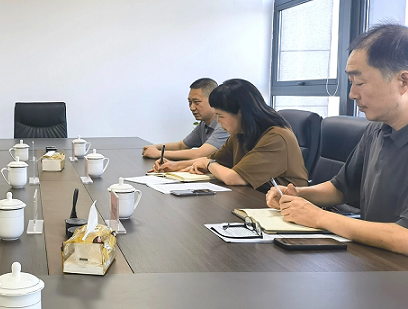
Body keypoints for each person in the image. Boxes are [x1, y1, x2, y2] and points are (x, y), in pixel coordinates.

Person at [266, 24, 408, 256]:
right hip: (370, 259)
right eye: (351, 83)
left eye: (359, 83)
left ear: (403, 81)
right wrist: (299, 194)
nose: (352, 94)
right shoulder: (376, 129)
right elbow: (341, 188)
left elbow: (405, 238)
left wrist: (319, 217)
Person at [156, 79, 308, 190]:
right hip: (254, 198)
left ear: (241, 113)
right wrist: (175, 166)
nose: (218, 122)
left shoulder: (275, 138)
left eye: (221, 116)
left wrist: (208, 165)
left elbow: (234, 178)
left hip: (284, 208)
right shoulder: (240, 133)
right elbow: (214, 159)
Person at [142, 78, 229, 166]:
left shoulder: (224, 125)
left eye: (196, 102)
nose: (192, 108)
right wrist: (154, 147)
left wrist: (159, 154)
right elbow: (181, 146)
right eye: (190, 102)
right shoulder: (204, 124)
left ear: (213, 100)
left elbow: (200, 154)